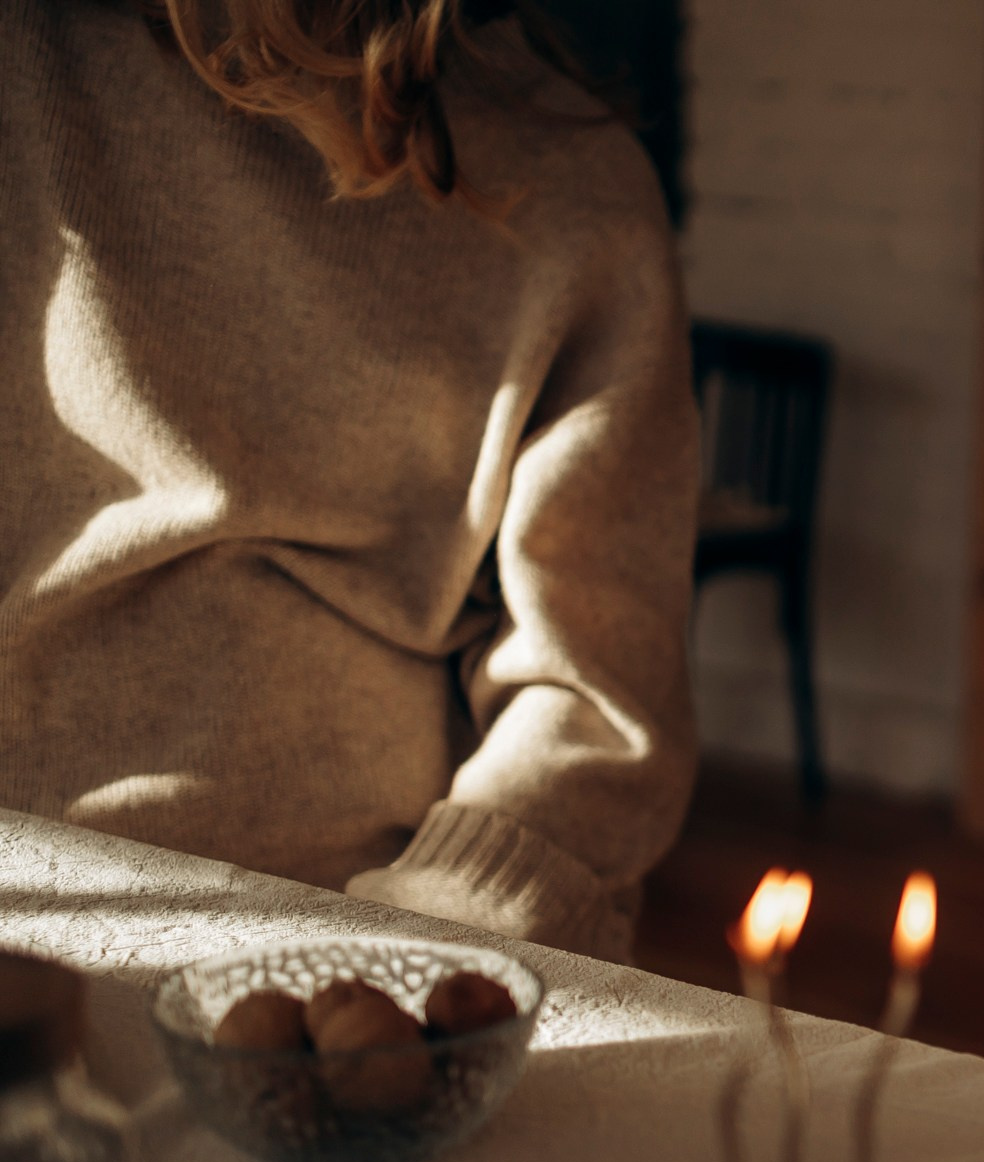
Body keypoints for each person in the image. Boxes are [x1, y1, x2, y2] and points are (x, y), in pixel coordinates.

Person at [0, 0, 697, 961]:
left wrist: (408, 951)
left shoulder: (578, 190)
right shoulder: (28, 71)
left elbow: (592, 702)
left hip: (363, 942)